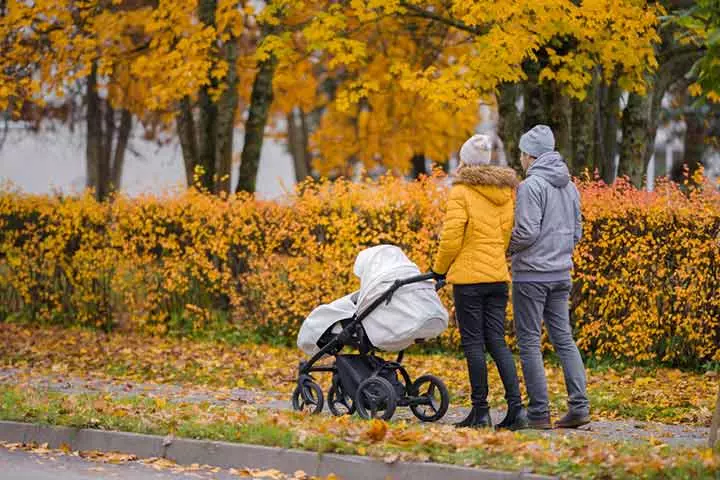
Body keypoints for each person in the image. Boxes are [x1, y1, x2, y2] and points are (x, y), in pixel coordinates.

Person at [432, 134, 528, 430]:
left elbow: (451, 240)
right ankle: (517, 410)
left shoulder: (461, 191)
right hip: (497, 277)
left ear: (464, 161)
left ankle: (481, 411)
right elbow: (505, 236)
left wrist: (439, 270)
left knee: (474, 343)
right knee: (497, 342)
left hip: (469, 280)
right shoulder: (504, 192)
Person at [509, 125, 590, 429]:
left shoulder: (531, 186)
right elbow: (577, 232)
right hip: (561, 273)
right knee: (564, 340)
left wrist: (508, 246)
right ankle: (579, 407)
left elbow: (527, 231)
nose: (520, 159)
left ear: (530, 155)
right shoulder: (569, 186)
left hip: (531, 275)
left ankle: (539, 413)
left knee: (530, 342)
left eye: (521, 153)